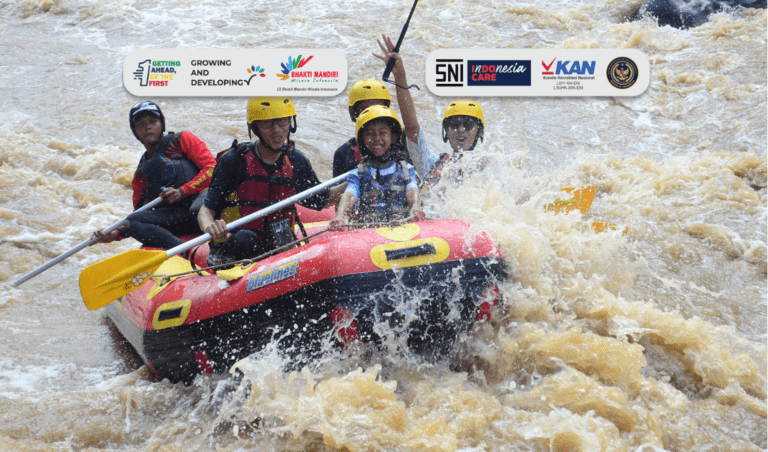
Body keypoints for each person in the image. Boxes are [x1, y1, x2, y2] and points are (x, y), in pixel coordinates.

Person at [198, 96, 342, 264]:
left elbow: (322, 199)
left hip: (278, 247)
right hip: (235, 250)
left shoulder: (296, 161)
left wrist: (353, 181)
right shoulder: (235, 161)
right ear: (256, 127)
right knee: (246, 238)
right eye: (267, 124)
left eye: (282, 121)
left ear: (291, 122)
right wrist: (210, 226)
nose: (277, 130)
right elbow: (205, 211)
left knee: (283, 241)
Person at [93, 101, 216, 251]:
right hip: (179, 218)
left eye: (153, 121)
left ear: (162, 125)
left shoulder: (182, 140)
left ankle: (202, 247)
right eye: (141, 124)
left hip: (204, 206)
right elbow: (139, 214)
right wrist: (116, 233)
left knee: (196, 210)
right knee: (134, 222)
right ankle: (185, 252)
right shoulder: (141, 173)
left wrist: (183, 191)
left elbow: (211, 169)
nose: (148, 127)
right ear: (136, 132)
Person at [373, 35, 485, 188]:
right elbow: (412, 129)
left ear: (480, 132)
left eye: (468, 124)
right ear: (445, 130)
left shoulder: (490, 170)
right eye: (453, 124)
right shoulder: (432, 164)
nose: (460, 130)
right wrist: (400, 76)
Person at [329, 105, 424, 229]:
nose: (376, 138)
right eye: (370, 134)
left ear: (393, 137)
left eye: (382, 133)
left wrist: (415, 206)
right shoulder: (358, 174)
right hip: (369, 233)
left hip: (402, 228)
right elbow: (350, 194)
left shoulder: (406, 169)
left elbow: (412, 189)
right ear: (362, 140)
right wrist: (340, 215)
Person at [332, 79, 392, 178]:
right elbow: (337, 192)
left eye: (378, 109)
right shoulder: (343, 153)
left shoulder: (400, 141)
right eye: (366, 109)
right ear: (355, 113)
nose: (372, 114)